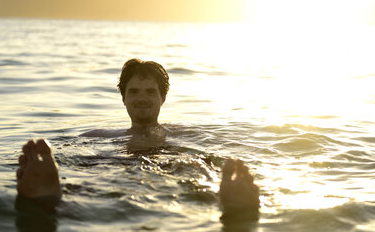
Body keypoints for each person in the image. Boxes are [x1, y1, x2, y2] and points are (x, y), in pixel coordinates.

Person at [16, 59, 259, 213]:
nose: (141, 97)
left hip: (169, 164)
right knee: (93, 173)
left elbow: (216, 153)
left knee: (194, 167)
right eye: (133, 91)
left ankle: (225, 198)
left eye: (150, 92)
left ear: (162, 98)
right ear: (123, 98)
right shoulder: (99, 135)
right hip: (118, 166)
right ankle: (51, 192)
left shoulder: (185, 134)